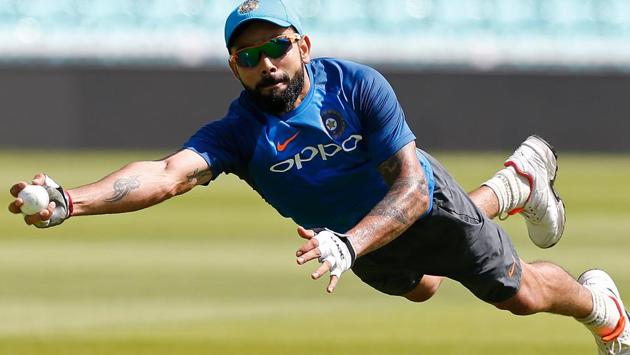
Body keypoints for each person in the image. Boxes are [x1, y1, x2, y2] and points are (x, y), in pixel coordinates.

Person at [7, 1, 628, 353]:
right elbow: (167, 174)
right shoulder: (239, 132)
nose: (266, 64)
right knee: (425, 286)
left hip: (411, 205)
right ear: (233, 68)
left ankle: (603, 307)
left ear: (303, 44)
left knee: (514, 295)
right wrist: (70, 202)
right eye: (248, 57)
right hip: (354, 239)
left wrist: (350, 243)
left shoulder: (356, 86)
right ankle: (517, 182)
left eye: (275, 47)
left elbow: (411, 189)